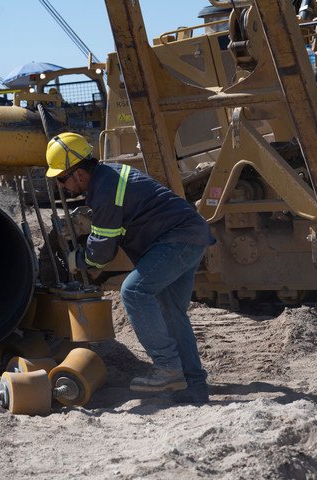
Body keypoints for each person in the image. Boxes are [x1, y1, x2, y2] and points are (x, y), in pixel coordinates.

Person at [45, 133, 214, 404]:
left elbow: (102, 250)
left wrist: (80, 261)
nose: (61, 186)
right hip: (190, 237)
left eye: (62, 179)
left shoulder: (105, 189)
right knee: (172, 313)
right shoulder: (108, 177)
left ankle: (168, 368)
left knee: (134, 291)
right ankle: (194, 387)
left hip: (176, 240)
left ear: (78, 174)